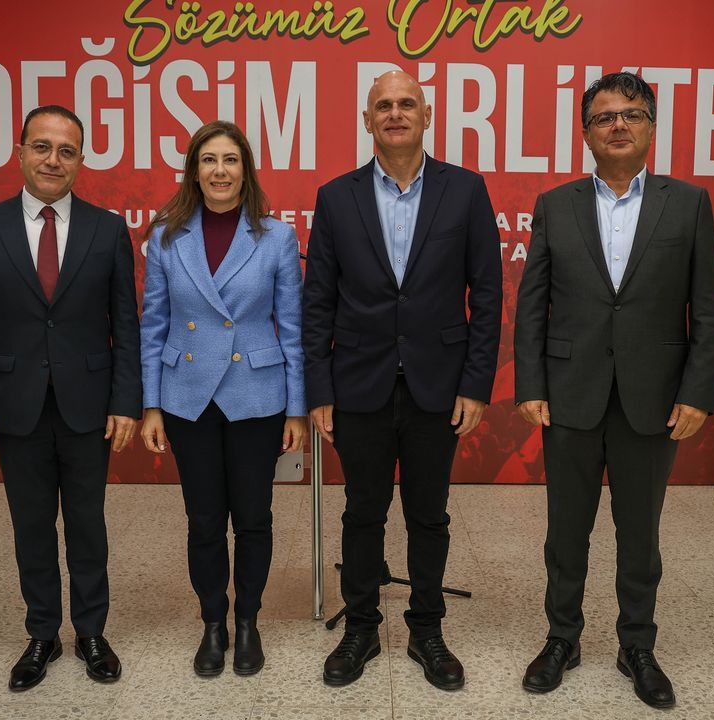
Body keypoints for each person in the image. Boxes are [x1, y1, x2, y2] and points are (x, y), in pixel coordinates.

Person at [513, 72, 714, 707]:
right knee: (565, 531)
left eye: (631, 115)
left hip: (654, 399)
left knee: (640, 534)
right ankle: (562, 638)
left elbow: (708, 309)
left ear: (651, 127)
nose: (618, 126)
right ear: (586, 133)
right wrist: (530, 383)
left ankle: (637, 645)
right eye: (605, 117)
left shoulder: (687, 203)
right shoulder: (556, 204)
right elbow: (533, 305)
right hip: (569, 393)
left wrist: (697, 392)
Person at [302, 70, 503, 690]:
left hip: (437, 386)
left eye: (406, 103)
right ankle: (361, 627)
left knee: (429, 514)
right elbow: (317, 302)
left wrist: (475, 383)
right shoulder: (336, 197)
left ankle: (426, 629)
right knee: (362, 512)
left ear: (427, 115)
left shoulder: (466, 190)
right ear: (367, 120)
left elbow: (487, 294)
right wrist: (318, 389)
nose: (395, 113)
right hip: (357, 384)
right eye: (383, 105)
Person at [0, 104, 141, 690]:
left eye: (66, 150)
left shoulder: (108, 229)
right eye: (42, 147)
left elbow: (125, 325)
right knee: (31, 525)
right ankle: (42, 634)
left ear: (80, 160)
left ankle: (90, 632)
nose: (53, 160)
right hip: (14, 406)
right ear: (21, 153)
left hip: (88, 404)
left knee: (87, 524)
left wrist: (126, 402)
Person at [138, 120, 306, 678]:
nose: (219, 171)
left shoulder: (276, 236)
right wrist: (151, 405)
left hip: (256, 395)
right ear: (194, 171)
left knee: (254, 518)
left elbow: (293, 327)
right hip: (187, 396)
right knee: (204, 519)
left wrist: (298, 409)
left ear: (245, 170)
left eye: (230, 160)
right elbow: (153, 325)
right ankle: (213, 622)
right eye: (208, 160)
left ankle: (248, 620)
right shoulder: (167, 237)